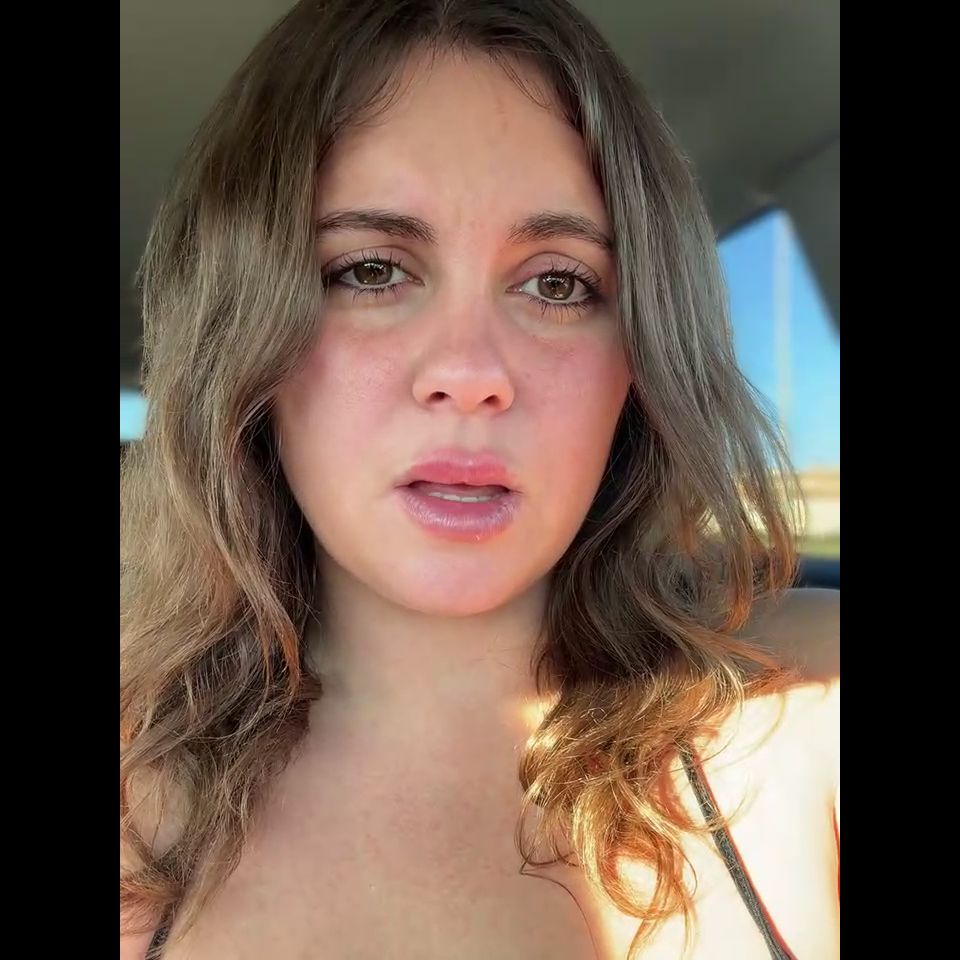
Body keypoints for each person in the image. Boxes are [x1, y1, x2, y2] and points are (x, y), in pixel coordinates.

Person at [120, 2, 839, 958]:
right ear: (247, 339)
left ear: (639, 359)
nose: (470, 373)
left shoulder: (805, 704)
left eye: (558, 283)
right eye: (370, 270)